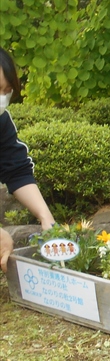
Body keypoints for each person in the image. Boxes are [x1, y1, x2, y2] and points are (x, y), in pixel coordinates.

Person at [0, 46, 55, 238]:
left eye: (6, 91)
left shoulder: (2, 123)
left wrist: (45, 217)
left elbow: (16, 170)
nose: (2, 98)